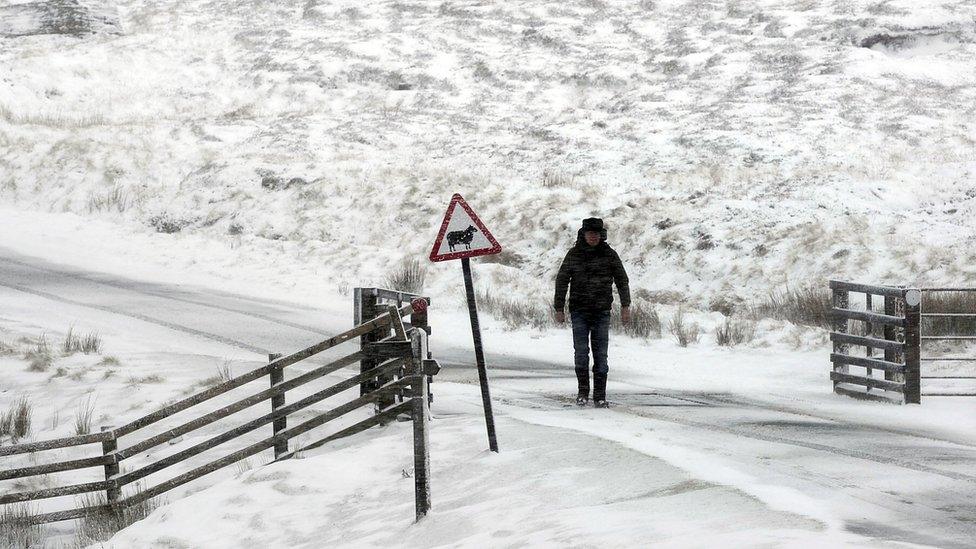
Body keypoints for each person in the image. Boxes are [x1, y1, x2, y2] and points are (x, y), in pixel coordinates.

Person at [554, 217, 631, 408]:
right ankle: (582, 392)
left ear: (601, 235)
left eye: (596, 234)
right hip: (579, 311)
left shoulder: (609, 255)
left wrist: (625, 306)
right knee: (581, 353)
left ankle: (599, 395)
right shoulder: (574, 254)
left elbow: (622, 280)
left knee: (601, 355)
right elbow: (562, 280)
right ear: (583, 234)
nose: (593, 237)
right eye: (590, 233)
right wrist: (559, 308)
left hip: (601, 312)